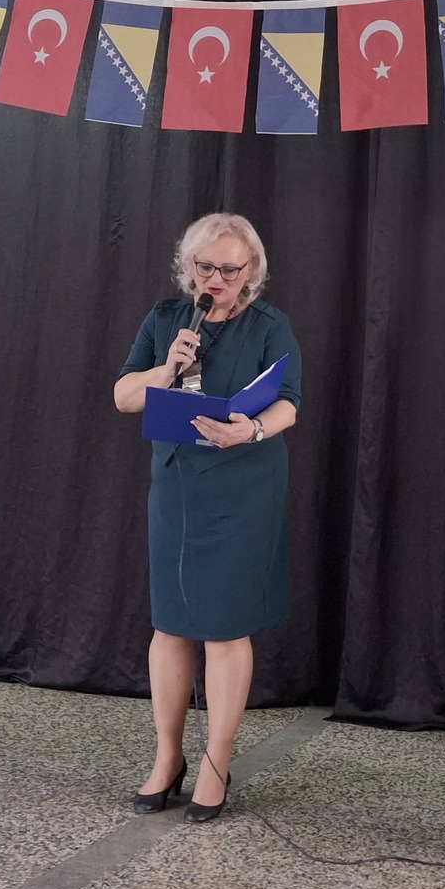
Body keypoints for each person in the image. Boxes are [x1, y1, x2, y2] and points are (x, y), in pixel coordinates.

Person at [112, 213, 302, 822]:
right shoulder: (167, 319)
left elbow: (289, 405)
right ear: (189, 266)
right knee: (171, 624)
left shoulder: (270, 326)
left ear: (252, 272)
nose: (216, 279)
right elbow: (124, 397)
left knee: (224, 628)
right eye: (205, 267)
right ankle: (168, 758)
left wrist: (250, 429)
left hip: (243, 487)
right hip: (178, 487)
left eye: (229, 269)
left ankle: (217, 764)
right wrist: (167, 368)